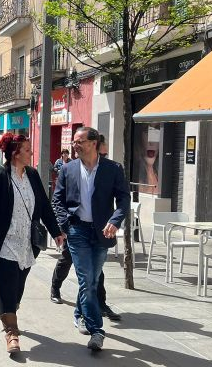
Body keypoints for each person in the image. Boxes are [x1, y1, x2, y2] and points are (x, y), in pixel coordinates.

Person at [0, 133, 65, 353]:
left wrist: (56, 232)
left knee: (17, 288)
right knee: (6, 285)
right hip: (2, 243)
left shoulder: (32, 175)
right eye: (26, 149)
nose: (31, 152)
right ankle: (11, 333)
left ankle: (10, 311)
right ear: (14, 153)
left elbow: (43, 205)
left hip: (26, 243)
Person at [52, 127, 130, 351]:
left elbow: (124, 198)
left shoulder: (113, 169)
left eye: (80, 141)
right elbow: (57, 200)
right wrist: (66, 223)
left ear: (94, 143)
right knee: (87, 280)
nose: (75, 145)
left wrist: (115, 221)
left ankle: (79, 313)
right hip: (78, 232)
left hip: (102, 232)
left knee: (92, 281)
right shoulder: (68, 169)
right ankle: (97, 330)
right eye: (74, 142)